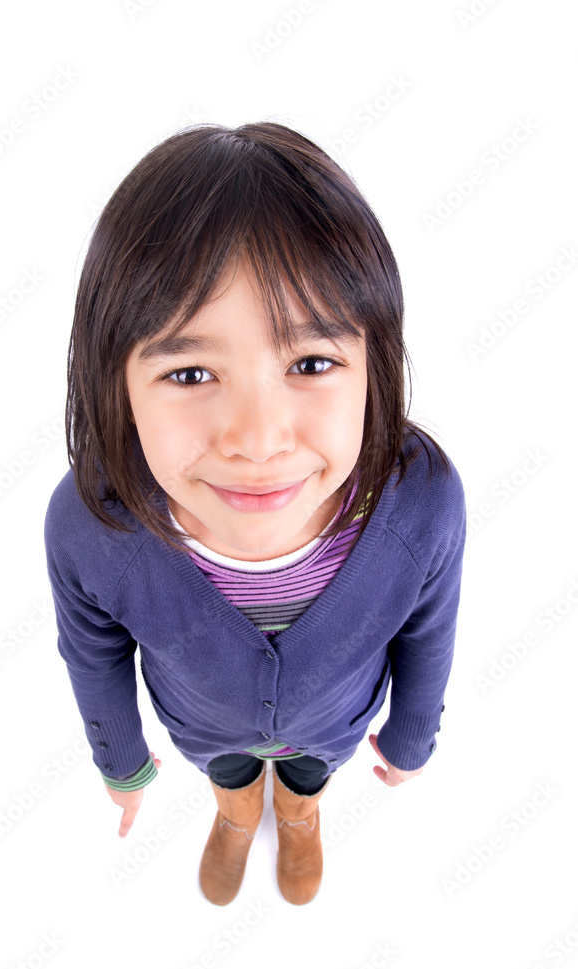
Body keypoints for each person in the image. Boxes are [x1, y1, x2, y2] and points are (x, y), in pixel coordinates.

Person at [44, 121, 466, 907]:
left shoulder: (421, 503)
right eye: (190, 372)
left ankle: (299, 818)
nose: (258, 441)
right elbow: (91, 653)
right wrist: (120, 763)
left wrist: (412, 738)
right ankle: (236, 816)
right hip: (202, 727)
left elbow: (428, 632)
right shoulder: (92, 525)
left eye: (311, 362)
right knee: (231, 774)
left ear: (374, 367)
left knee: (305, 776)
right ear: (115, 384)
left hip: (335, 722)